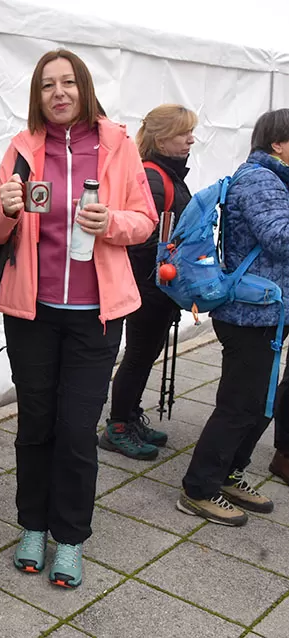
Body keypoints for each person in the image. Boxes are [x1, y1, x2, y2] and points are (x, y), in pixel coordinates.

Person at [0, 49, 157, 588]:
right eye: (46, 85)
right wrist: (6, 208)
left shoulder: (118, 145)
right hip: (31, 314)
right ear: (36, 96)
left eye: (67, 83)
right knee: (36, 424)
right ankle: (33, 525)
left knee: (77, 429)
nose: (58, 93)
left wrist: (112, 222)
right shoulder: (21, 148)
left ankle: (71, 537)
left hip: (95, 318)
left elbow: (145, 221)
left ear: (83, 88)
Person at [178, 108, 289, 525]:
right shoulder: (261, 179)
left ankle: (228, 473)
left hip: (266, 311)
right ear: (277, 143)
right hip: (248, 314)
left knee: (259, 404)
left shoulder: (276, 179)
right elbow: (279, 238)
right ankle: (198, 488)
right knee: (239, 405)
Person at [100, 105, 197, 460]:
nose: (190, 139)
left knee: (144, 354)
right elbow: (142, 240)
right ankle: (118, 426)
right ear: (160, 138)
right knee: (139, 355)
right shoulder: (155, 177)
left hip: (158, 286)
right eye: (181, 133)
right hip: (149, 287)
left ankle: (128, 416)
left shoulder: (165, 173)